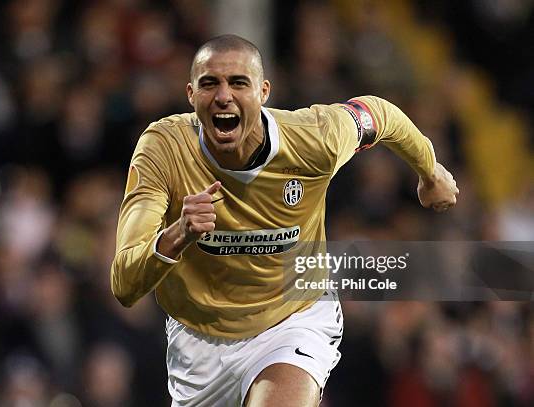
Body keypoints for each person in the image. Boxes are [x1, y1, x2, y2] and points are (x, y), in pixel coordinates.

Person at [111, 34, 458, 406]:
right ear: (191, 95)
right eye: (210, 83)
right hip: (199, 342)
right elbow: (125, 283)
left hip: (293, 319)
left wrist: (430, 172)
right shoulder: (163, 149)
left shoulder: (313, 138)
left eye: (238, 82)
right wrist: (177, 234)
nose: (223, 95)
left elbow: (380, 115)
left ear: (263, 92)